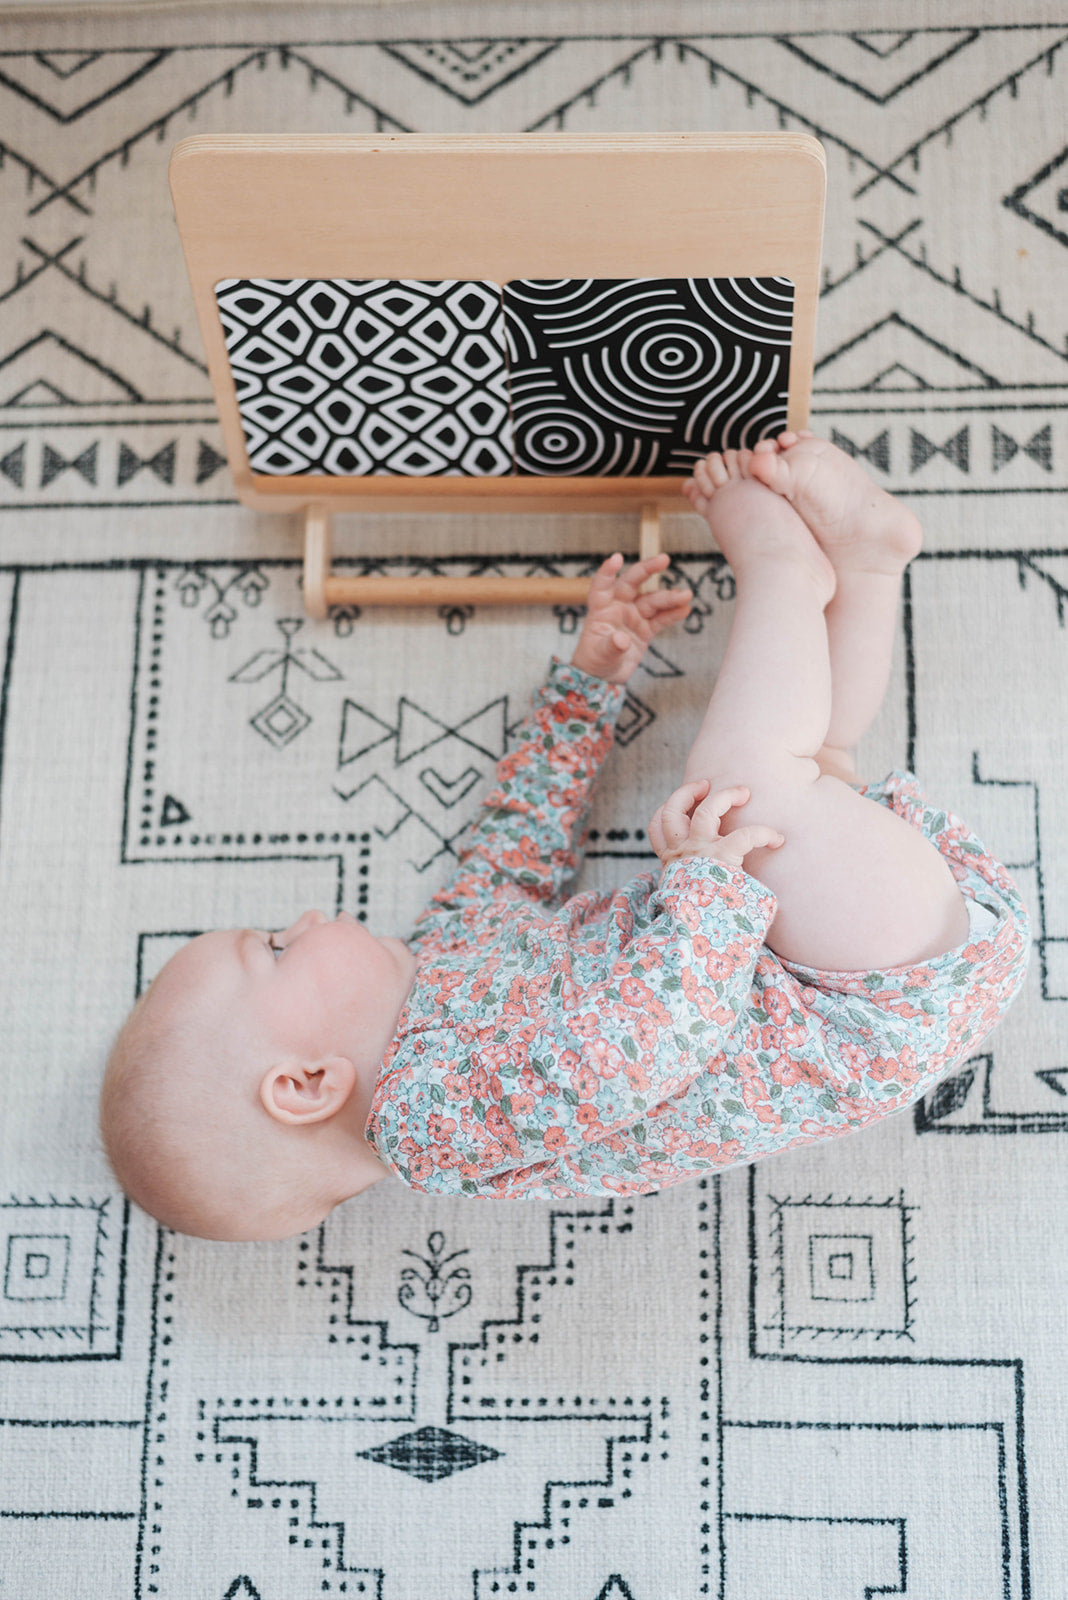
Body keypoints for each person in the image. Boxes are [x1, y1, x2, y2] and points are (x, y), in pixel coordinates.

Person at [99, 433, 1031, 1240]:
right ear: (306, 1082)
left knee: (814, 765)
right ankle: (784, 570)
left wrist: (589, 686)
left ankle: (868, 565)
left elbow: (515, 845)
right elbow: (642, 1046)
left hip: (830, 952)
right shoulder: (436, 1125)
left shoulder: (440, 962)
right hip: (857, 1004)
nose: (302, 918)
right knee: (747, 785)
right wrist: (702, 885)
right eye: (274, 947)